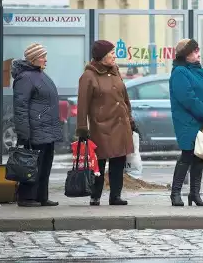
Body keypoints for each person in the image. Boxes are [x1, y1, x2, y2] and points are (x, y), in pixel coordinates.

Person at [76, 40, 136, 206]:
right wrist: (82, 128)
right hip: (100, 126)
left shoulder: (115, 71)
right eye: (111, 53)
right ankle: (95, 196)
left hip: (120, 124)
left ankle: (115, 196)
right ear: (102, 56)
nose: (114, 55)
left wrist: (130, 120)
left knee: (118, 161)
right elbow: (82, 105)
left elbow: (124, 99)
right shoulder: (89, 76)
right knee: (99, 163)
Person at [169, 39, 203, 207]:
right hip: (187, 121)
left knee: (199, 156)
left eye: (198, 51)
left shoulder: (202, 72)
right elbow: (187, 97)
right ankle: (175, 193)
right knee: (187, 155)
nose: (198, 54)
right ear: (186, 55)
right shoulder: (179, 72)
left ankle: (194, 194)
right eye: (194, 51)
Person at [12, 43, 63, 208]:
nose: (45, 60)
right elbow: (20, 107)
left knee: (45, 165)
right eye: (42, 56)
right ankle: (26, 197)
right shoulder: (25, 78)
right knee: (31, 165)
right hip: (35, 129)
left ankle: (42, 196)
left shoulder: (40, 74)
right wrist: (23, 133)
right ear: (33, 59)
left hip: (46, 128)